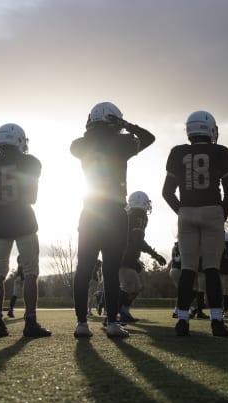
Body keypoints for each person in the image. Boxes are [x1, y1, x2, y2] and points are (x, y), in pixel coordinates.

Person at [70, 102, 155, 338]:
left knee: (84, 268)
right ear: (114, 121)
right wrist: (126, 125)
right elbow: (149, 138)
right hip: (114, 211)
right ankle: (113, 322)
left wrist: (96, 131)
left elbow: (76, 145)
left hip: (90, 209)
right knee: (110, 269)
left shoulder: (81, 145)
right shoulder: (121, 143)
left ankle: (81, 323)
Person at [163, 110, 228, 337]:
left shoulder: (177, 152)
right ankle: (216, 321)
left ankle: (183, 320)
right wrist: (220, 215)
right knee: (212, 268)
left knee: (187, 268)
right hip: (213, 208)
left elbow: (167, 192)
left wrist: (183, 211)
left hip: (187, 211)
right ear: (210, 129)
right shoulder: (221, 151)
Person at [0, 123, 51, 338]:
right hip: (24, 221)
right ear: (19, 139)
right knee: (30, 273)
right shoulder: (31, 162)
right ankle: (30, 322)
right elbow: (32, 198)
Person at [118, 191, 167, 323]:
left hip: (121, 255)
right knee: (131, 287)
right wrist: (155, 255)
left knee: (132, 287)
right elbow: (137, 240)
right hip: (125, 257)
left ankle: (123, 312)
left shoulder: (128, 214)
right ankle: (115, 313)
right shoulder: (139, 215)